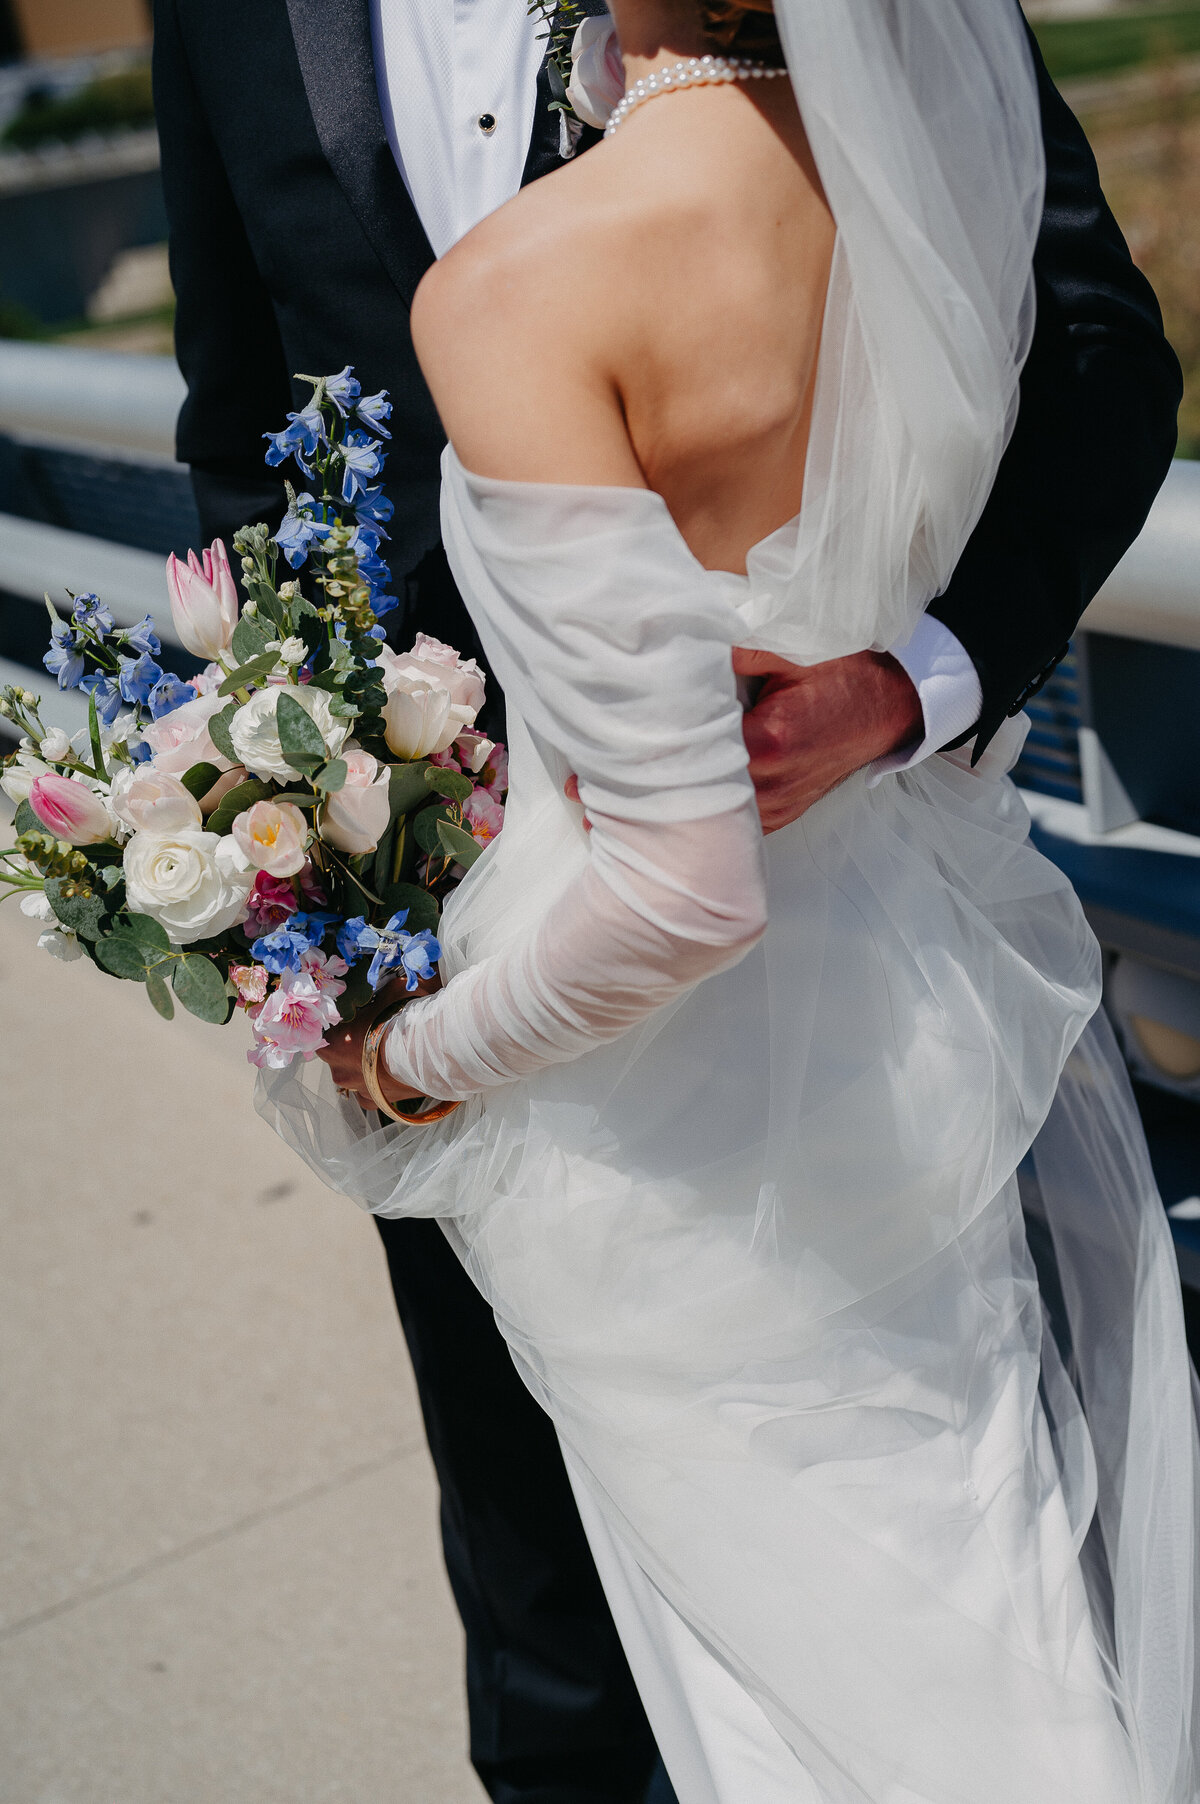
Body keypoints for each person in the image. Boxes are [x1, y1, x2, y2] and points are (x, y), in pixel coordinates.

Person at [153, 0, 1184, 1796]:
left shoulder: (544, 276)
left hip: (613, 1035)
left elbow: (1095, 350)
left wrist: (408, 1069)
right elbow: (248, 425)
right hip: (600, 937)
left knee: (801, 1662)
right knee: (900, 1582)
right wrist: (283, 807)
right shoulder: (874, 167)